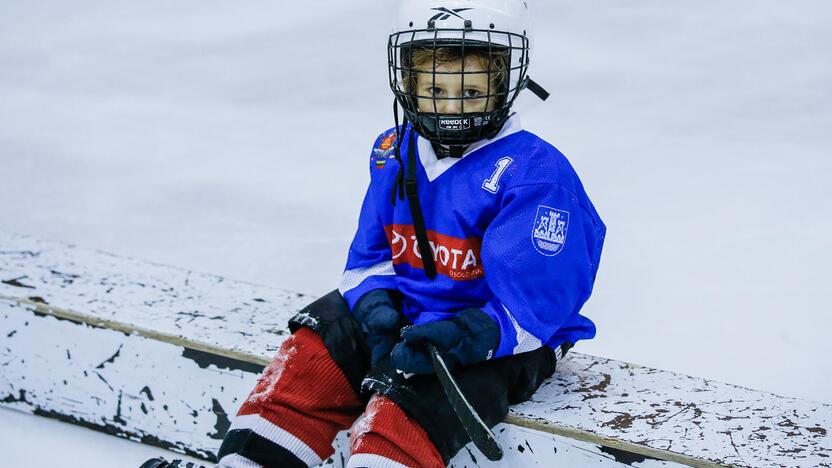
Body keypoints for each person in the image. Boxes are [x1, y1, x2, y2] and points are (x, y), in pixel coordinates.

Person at [143, 0, 606, 467]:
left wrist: (468, 334)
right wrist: (374, 306)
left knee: (416, 391)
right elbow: (374, 254)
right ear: (408, 83)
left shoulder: (534, 174)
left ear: (502, 83)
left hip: (501, 341)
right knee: (322, 343)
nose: (449, 107)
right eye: (434, 89)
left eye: (469, 92)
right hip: (416, 314)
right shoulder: (394, 150)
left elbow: (540, 301)